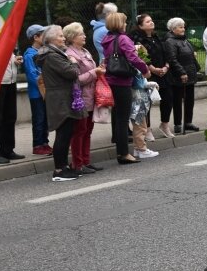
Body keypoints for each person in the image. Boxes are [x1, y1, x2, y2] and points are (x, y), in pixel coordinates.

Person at [34, 25, 84, 181]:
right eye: (61, 36)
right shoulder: (52, 55)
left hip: (63, 97)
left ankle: (64, 166)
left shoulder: (54, 53)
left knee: (66, 133)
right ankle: (59, 170)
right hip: (60, 99)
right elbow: (72, 73)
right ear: (51, 39)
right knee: (63, 134)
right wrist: (74, 62)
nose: (64, 38)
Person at [101, 12, 150, 164]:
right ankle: (123, 153)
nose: (125, 24)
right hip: (122, 81)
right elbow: (133, 57)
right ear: (118, 24)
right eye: (123, 22)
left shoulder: (107, 39)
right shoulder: (123, 38)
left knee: (118, 117)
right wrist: (145, 69)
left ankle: (120, 151)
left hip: (111, 79)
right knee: (123, 119)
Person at [64, 22, 105, 174]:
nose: (84, 36)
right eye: (81, 34)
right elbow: (77, 79)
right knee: (79, 131)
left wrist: (99, 70)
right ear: (73, 37)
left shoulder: (85, 51)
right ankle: (77, 163)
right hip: (79, 98)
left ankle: (86, 161)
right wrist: (95, 72)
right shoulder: (70, 54)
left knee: (87, 130)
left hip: (91, 95)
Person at [130, 14, 173, 139]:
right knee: (146, 102)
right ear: (140, 25)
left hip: (163, 73)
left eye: (151, 20)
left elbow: (166, 53)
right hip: (149, 74)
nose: (151, 22)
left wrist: (166, 66)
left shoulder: (156, 37)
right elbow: (139, 57)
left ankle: (164, 125)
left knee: (168, 99)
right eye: (148, 21)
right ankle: (147, 129)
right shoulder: (137, 40)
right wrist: (152, 68)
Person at [0, 52, 25, 164]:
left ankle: (7, 150)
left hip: (11, 82)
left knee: (10, 118)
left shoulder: (6, 41)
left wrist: (15, 60)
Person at [164, 17, 200, 134]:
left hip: (190, 74)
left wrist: (197, 68)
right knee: (178, 100)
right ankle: (178, 124)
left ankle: (188, 122)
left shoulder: (184, 40)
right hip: (178, 75)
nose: (183, 28)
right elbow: (172, 59)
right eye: (180, 27)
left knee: (190, 100)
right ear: (173, 29)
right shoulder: (170, 41)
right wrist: (182, 72)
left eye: (183, 26)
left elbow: (191, 56)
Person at [23, 24, 52, 156]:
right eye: (43, 34)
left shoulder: (43, 52)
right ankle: (37, 145)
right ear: (36, 37)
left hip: (45, 92)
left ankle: (45, 143)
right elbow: (32, 75)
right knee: (39, 118)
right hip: (36, 94)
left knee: (45, 118)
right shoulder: (29, 55)